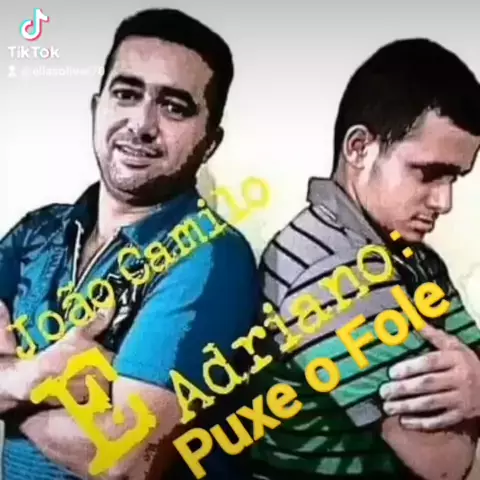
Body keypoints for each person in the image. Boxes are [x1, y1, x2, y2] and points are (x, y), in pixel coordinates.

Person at [0, 8, 260, 480]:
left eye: (175, 107)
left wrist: (11, 388)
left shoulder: (211, 258)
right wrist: (38, 377)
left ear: (210, 142)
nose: (141, 123)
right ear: (96, 107)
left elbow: (125, 458)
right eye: (126, 93)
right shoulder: (36, 232)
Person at [250, 38, 480, 480]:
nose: (445, 202)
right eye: (429, 174)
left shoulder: (409, 255)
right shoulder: (331, 272)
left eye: (455, 178)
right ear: (358, 148)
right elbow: (446, 464)